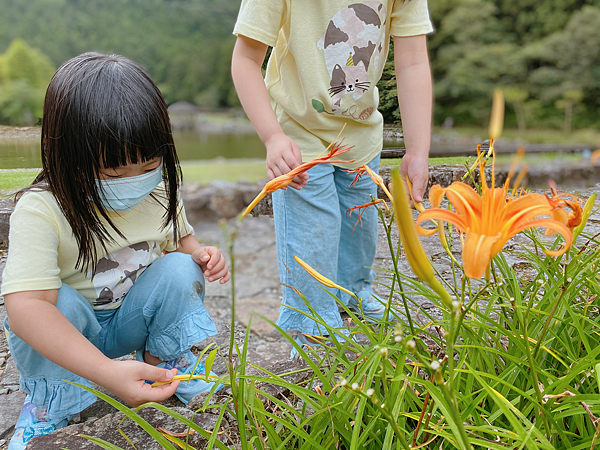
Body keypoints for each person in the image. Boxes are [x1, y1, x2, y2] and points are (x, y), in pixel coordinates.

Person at [1, 53, 231, 450]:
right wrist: (108, 373)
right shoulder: (42, 210)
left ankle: (165, 363)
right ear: (65, 155)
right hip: (72, 331)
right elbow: (25, 309)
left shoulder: (160, 193)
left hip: (129, 319)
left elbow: (182, 243)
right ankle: (49, 405)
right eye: (112, 173)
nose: (135, 180)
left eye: (150, 163)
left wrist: (204, 254)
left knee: (180, 269)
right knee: (53, 302)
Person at [231, 0, 433, 349]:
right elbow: (245, 60)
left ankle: (354, 298)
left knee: (361, 229)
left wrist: (417, 151)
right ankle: (312, 324)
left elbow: (413, 61)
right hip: (298, 133)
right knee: (312, 235)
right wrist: (273, 137)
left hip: (362, 133)